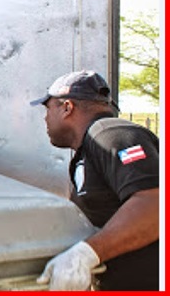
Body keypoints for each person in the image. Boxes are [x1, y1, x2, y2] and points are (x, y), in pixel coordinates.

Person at [30, 70, 159, 291]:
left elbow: (155, 204)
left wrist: (87, 254)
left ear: (67, 107)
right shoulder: (88, 150)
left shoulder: (110, 132)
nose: (45, 117)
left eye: (47, 107)